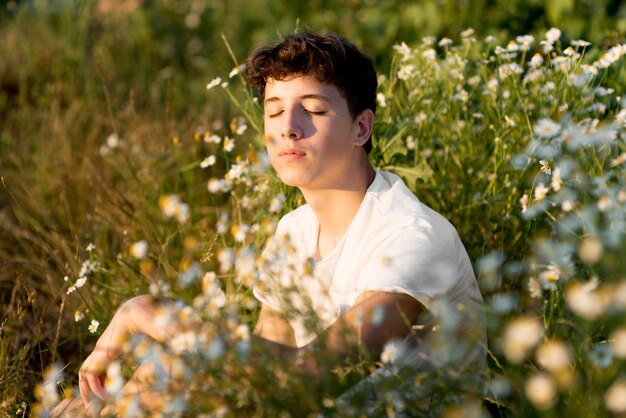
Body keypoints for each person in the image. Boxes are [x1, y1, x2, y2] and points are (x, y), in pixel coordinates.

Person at [51, 31, 485, 417]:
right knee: (157, 377)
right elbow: (255, 377)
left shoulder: (410, 238)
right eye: (274, 111)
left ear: (361, 128)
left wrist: (146, 313)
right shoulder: (293, 231)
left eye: (313, 110)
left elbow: (310, 378)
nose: (288, 129)